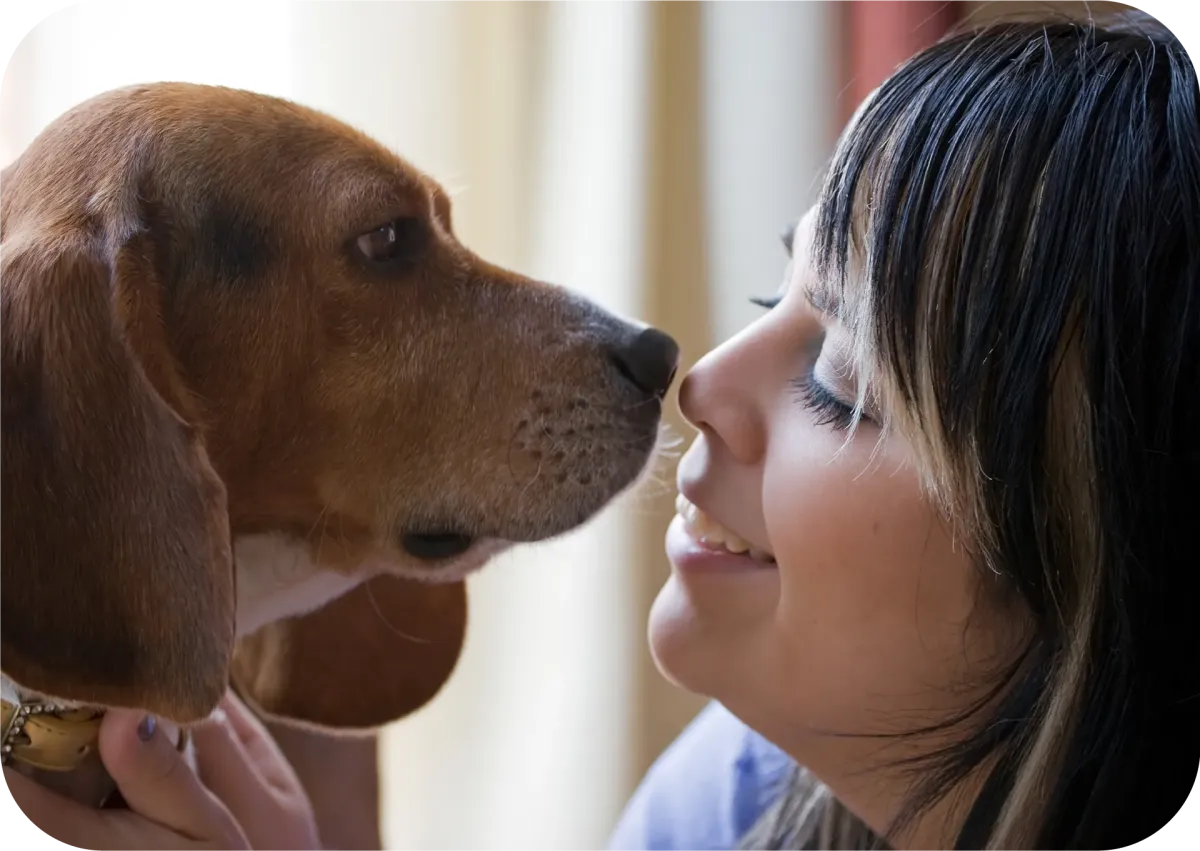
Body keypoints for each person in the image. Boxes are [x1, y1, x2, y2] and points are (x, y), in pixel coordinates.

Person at [4, 12, 1199, 850]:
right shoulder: (734, 802)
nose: (697, 377)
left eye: (844, 373)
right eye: (764, 304)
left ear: (1102, 541)